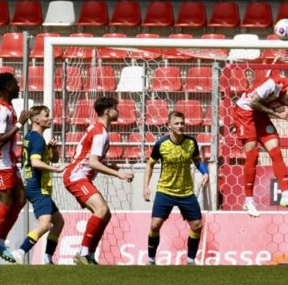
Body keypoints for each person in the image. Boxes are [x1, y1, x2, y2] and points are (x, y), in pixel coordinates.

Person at [63, 95, 134, 265]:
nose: (118, 111)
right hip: (76, 177)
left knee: (105, 214)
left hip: (80, 176)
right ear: (108, 111)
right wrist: (118, 174)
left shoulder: (97, 128)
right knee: (101, 210)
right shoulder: (100, 132)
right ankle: (83, 251)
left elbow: (89, 157)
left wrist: (112, 166)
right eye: (115, 108)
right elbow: (92, 162)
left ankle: (89, 254)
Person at [233, 72, 288, 216]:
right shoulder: (274, 83)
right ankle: (248, 202)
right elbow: (253, 103)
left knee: (275, 150)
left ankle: (286, 196)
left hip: (260, 115)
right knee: (253, 155)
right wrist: (277, 114)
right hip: (244, 113)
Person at [142, 111, 207, 266]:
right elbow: (150, 164)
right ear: (169, 125)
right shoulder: (161, 144)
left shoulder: (191, 143)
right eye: (177, 123)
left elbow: (197, 160)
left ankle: (191, 260)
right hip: (165, 190)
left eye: (182, 123)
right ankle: (151, 259)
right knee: (155, 225)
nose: (180, 126)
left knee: (197, 225)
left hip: (185, 191)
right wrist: (146, 186)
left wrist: (205, 172)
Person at [0, 72, 30, 265]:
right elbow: (0, 140)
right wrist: (19, 124)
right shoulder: (1, 110)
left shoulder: (6, 107)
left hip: (8, 160)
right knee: (7, 200)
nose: (18, 87)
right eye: (16, 84)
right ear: (8, 87)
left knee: (20, 199)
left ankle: (0, 242)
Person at [14, 105, 65, 265]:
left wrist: (52, 151)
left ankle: (47, 257)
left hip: (31, 183)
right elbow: (35, 163)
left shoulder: (30, 137)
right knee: (45, 223)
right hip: (38, 186)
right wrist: (56, 170)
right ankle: (20, 251)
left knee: (59, 222)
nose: (50, 118)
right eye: (46, 115)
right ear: (36, 119)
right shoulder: (37, 139)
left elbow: (47, 159)